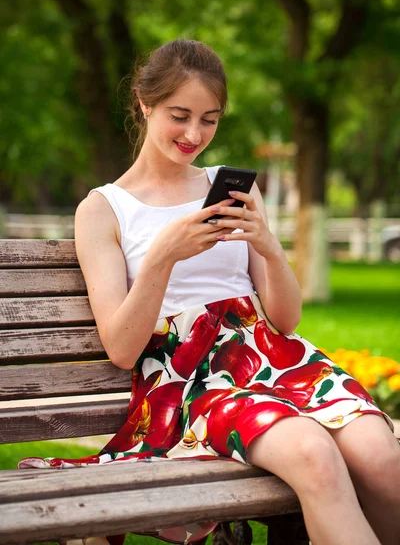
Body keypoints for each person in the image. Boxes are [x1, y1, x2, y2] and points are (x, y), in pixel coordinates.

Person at [22, 40, 399, 545]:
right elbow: (122, 347)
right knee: (313, 453)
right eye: (180, 115)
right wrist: (162, 256)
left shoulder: (232, 186)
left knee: (383, 459)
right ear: (144, 103)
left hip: (276, 357)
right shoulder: (104, 209)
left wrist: (269, 248)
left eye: (210, 119)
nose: (194, 134)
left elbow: (286, 321)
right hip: (193, 381)